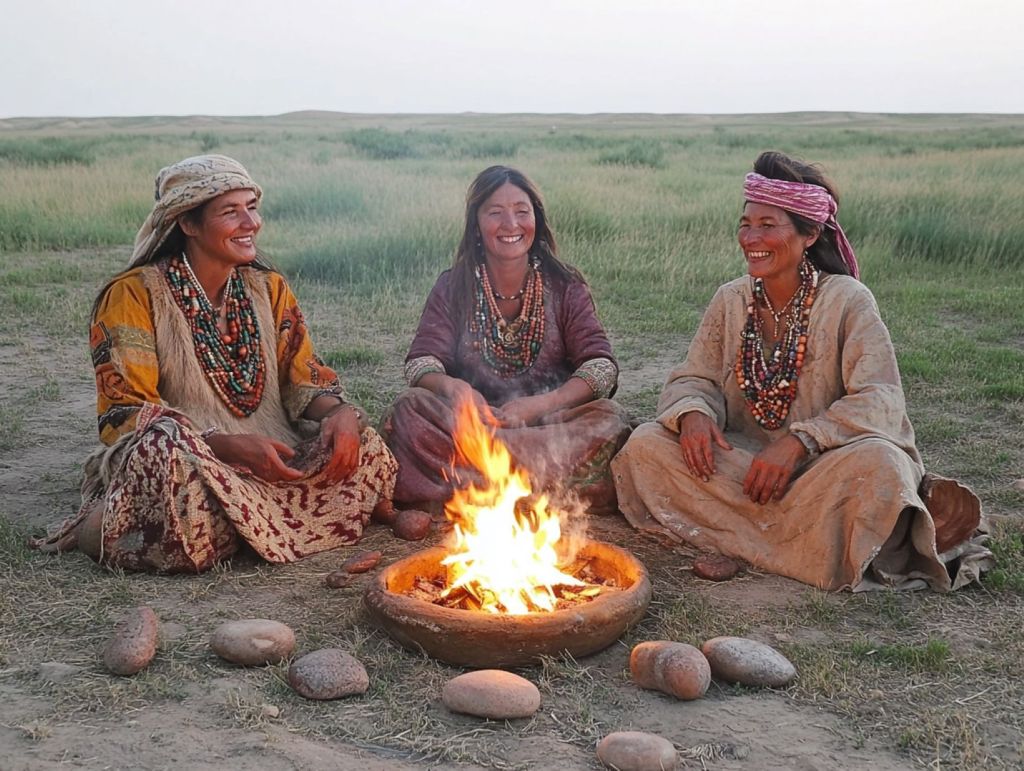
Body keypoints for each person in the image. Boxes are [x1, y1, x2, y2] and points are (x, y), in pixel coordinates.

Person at [611, 151, 989, 591]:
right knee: (646, 445)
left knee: (881, 465)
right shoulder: (732, 299)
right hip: (742, 463)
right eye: (745, 223)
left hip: (819, 469)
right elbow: (695, 376)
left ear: (809, 234)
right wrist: (694, 412)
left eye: (768, 225)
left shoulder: (848, 299)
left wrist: (801, 440)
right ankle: (804, 538)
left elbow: (880, 398)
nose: (751, 236)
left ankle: (740, 534)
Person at [36, 154, 397, 572]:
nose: (251, 223)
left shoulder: (269, 287)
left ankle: (235, 525)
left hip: (275, 456)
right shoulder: (133, 295)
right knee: (162, 456)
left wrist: (341, 414)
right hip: (194, 461)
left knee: (366, 445)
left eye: (252, 207)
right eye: (231, 212)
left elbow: (305, 381)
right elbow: (126, 414)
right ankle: (129, 523)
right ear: (187, 224)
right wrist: (222, 445)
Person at [382, 165, 631, 514]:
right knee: (410, 409)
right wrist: (456, 391)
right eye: (495, 213)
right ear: (477, 225)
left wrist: (542, 405)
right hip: (474, 428)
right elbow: (422, 363)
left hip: (550, 427)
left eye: (521, 212)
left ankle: (477, 489)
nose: (511, 225)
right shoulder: (453, 285)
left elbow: (601, 366)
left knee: (609, 419)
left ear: (537, 221)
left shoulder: (565, 285)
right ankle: (539, 491)